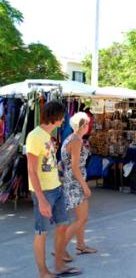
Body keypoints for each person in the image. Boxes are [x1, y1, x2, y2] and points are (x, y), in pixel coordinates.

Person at [26, 101, 81, 278]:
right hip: (44, 192)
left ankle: (59, 265)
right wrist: (41, 199)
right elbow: (32, 170)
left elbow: (46, 164)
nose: (63, 120)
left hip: (56, 188)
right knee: (41, 231)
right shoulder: (35, 136)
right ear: (55, 116)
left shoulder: (47, 135)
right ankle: (43, 272)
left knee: (63, 225)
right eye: (62, 116)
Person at [60, 112, 97, 262]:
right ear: (83, 125)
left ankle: (81, 245)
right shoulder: (76, 140)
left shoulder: (71, 138)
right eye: (87, 123)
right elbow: (75, 167)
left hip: (72, 181)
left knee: (80, 218)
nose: (89, 126)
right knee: (82, 218)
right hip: (76, 182)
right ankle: (60, 249)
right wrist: (85, 186)